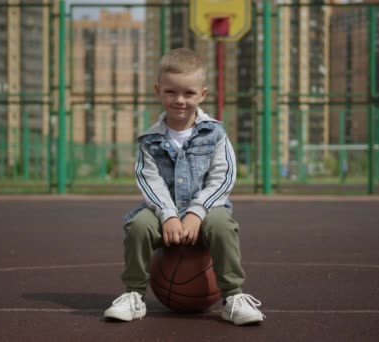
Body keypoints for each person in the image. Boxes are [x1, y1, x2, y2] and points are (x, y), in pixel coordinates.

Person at [103, 48, 264, 325]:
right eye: (171, 92)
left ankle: (233, 296)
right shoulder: (149, 140)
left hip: (208, 208)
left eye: (188, 93)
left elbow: (224, 177)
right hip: (161, 211)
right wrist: (167, 214)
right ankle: (134, 295)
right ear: (158, 91)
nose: (179, 100)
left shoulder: (215, 133)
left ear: (202, 94)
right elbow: (148, 180)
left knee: (223, 225)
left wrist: (196, 212)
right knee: (138, 225)